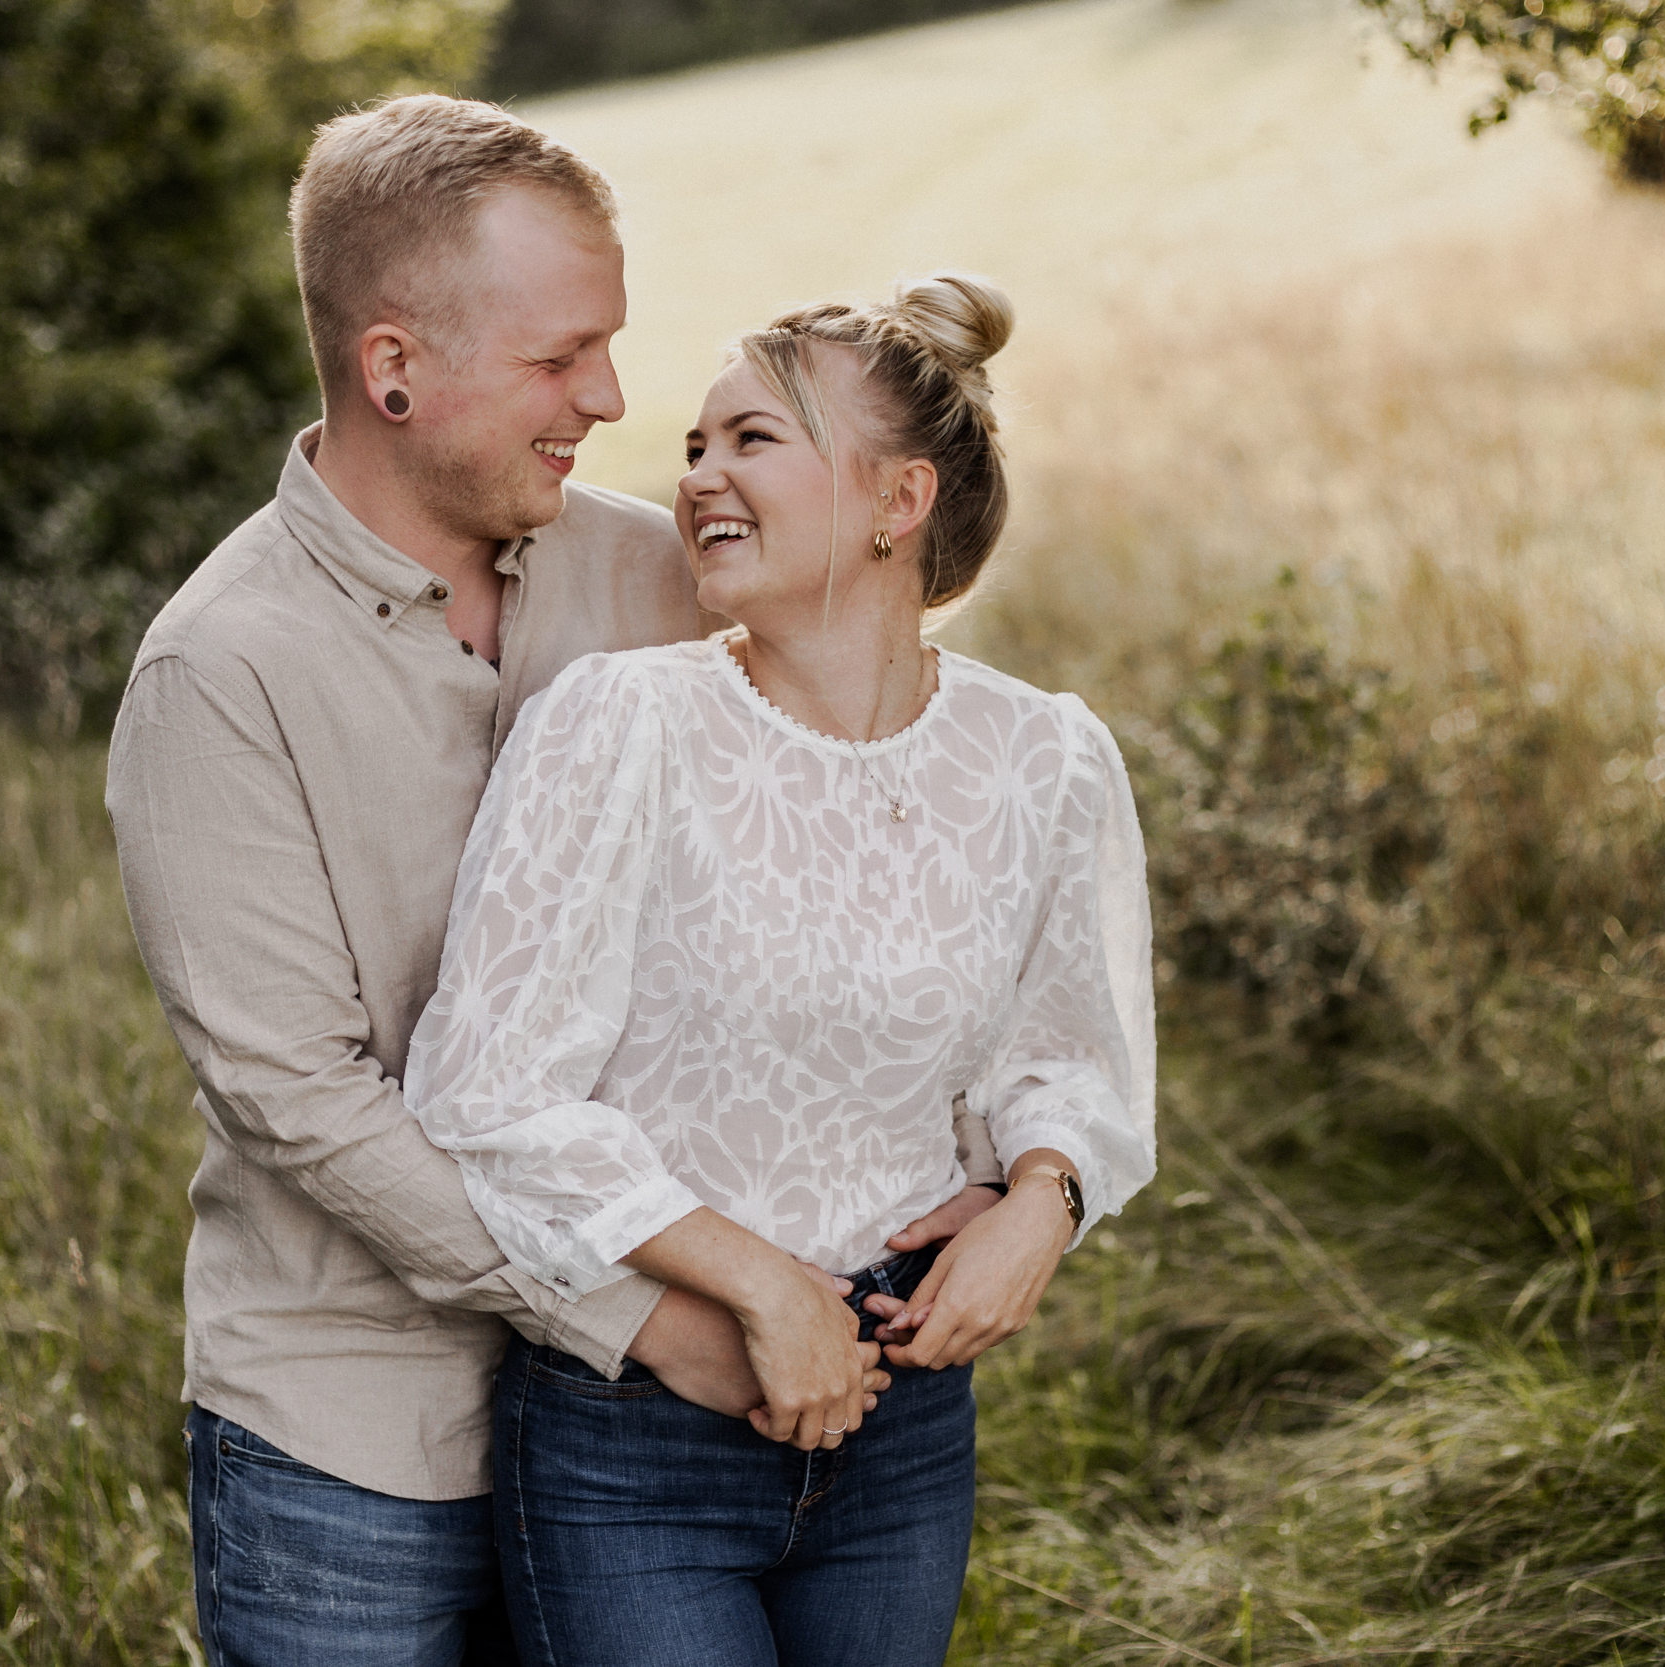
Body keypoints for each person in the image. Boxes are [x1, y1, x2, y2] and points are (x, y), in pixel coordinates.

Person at [105, 97, 1003, 1667]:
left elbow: (895, 816)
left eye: (612, 344)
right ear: (395, 371)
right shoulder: (220, 674)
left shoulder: (662, 571)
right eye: (558, 357)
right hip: (361, 1451)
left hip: (647, 1447)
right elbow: (299, 1095)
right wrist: (645, 1322)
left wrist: (1008, 1162)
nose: (609, 395)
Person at [404, 272, 1159, 1667]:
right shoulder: (626, 723)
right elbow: (486, 1088)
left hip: (907, 1424)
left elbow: (1076, 1055)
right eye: (694, 448)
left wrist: (1043, 1201)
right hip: (641, 1434)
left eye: (751, 439)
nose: (698, 478)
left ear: (899, 501)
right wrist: (760, 1288)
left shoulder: (1044, 756)